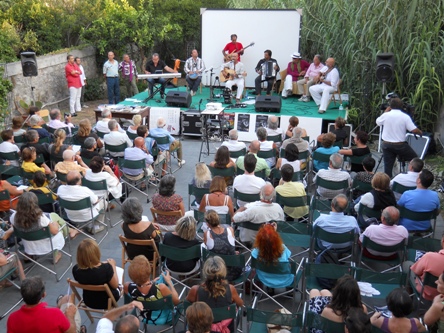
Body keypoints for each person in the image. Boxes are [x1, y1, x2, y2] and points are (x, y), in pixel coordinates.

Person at [186, 256, 243, 333]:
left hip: (201, 328)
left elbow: (187, 304)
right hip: (227, 329)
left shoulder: (195, 290)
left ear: (205, 272)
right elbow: (240, 304)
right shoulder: (231, 289)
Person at [7, 276, 79, 333]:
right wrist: (70, 316)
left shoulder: (12, 318)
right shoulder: (55, 314)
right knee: (69, 303)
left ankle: (61, 300)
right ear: (43, 295)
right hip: (60, 320)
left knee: (66, 298)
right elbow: (72, 331)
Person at [10, 192, 66, 263]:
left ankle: (28, 255)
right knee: (58, 225)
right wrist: (55, 224)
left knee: (28, 233)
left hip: (28, 245)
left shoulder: (13, 217)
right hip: (46, 245)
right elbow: (55, 231)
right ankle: (56, 254)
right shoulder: (40, 218)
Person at [123, 255, 180, 325]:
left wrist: (152, 282)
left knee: (161, 277)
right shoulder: (161, 288)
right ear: (149, 271)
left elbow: (127, 304)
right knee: (164, 277)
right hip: (163, 318)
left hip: (141, 316)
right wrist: (169, 282)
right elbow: (176, 301)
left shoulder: (127, 286)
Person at [376, 97, 422, 178]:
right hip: (400, 145)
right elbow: (413, 130)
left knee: (388, 167)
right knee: (415, 160)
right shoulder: (404, 116)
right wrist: (420, 132)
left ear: (390, 106)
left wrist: (385, 112)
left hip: (386, 145)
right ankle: (415, 178)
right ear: (401, 106)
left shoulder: (386, 115)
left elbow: (378, 122)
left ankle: (387, 184)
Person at [73, 239, 122, 309]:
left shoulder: (76, 270)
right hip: (107, 300)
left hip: (89, 301)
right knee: (119, 274)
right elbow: (115, 286)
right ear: (96, 253)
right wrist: (113, 266)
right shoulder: (106, 269)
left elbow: (90, 271)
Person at [252, 223, 293, 290]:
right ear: (276, 237)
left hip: (264, 279)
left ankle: (270, 289)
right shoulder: (283, 248)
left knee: (267, 267)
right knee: (289, 265)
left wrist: (265, 231)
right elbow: (288, 257)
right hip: (285, 280)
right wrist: (273, 231)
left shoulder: (255, 251)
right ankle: (290, 291)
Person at [202, 211, 237, 281]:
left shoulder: (207, 234)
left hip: (214, 272)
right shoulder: (230, 229)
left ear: (208, 224)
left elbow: (206, 247)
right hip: (233, 271)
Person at [409, 233, 444, 301]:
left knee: (407, 265)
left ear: (443, 241)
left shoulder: (429, 257)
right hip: (441, 299)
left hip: (427, 293)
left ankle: (406, 299)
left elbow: (416, 271)